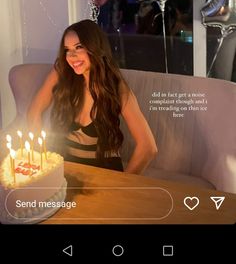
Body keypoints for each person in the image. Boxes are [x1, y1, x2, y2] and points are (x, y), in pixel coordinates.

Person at [27, 19, 157, 174]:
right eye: (67, 50)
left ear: (95, 48)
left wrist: (123, 186)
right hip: (66, 172)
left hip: (104, 175)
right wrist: (40, 159)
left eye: (79, 47)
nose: (71, 56)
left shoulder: (116, 87)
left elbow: (148, 147)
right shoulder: (61, 72)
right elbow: (33, 112)